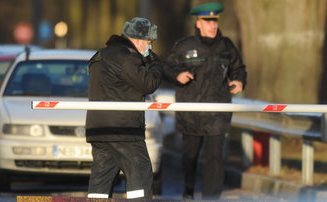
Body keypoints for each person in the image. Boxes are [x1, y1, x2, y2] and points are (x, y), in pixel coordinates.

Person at [164, 2, 247, 200]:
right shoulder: (184, 46)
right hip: (190, 113)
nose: (212, 25)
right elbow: (165, 67)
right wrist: (177, 75)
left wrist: (240, 80)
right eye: (208, 21)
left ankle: (211, 198)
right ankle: (189, 190)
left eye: (214, 21)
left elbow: (239, 68)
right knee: (190, 158)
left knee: (215, 158)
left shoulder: (226, 46)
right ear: (198, 23)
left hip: (217, 111)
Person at [85, 17, 163, 199]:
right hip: (124, 129)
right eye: (148, 43)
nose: (149, 48)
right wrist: (156, 64)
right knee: (140, 174)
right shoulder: (125, 57)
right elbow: (148, 84)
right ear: (136, 39)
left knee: (101, 179)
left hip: (98, 129)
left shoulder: (101, 54)